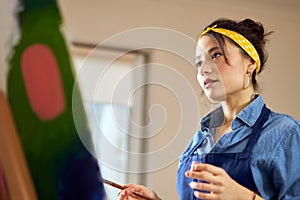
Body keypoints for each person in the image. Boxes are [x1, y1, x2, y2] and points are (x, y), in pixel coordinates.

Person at [117, 18, 300, 200]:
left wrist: (244, 197)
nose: (203, 69)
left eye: (215, 55)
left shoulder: (284, 132)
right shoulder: (198, 142)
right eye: (198, 63)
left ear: (250, 63)